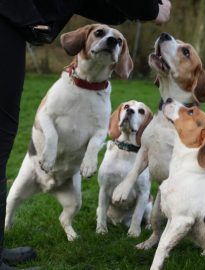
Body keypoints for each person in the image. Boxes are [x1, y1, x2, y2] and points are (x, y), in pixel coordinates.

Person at [0, 0, 171, 269]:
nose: (110, 41)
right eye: (101, 35)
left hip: (12, 21)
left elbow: (101, 130)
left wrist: (133, 12)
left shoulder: (104, 96)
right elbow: (44, 115)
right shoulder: (63, 85)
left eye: (117, 42)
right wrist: (149, 8)